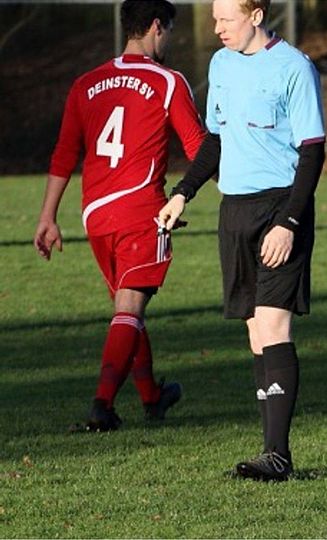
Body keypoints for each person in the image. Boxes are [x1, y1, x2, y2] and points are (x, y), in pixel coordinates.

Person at [157, 0, 326, 482]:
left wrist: (289, 223)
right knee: (255, 332)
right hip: (235, 211)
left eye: (225, 19)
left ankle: (277, 455)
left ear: (255, 16)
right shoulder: (222, 63)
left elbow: (313, 152)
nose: (216, 28)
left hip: (280, 208)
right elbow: (216, 139)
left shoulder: (294, 68)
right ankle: (271, 452)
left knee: (273, 327)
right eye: (214, 19)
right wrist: (182, 193)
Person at [34, 0, 205, 432]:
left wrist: (47, 217)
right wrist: (185, 195)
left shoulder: (86, 83)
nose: (170, 39)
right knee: (129, 307)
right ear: (155, 27)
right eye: (168, 30)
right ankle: (102, 406)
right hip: (143, 211)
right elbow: (199, 149)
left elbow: (64, 153)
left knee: (127, 309)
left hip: (96, 215)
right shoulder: (168, 82)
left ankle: (152, 397)